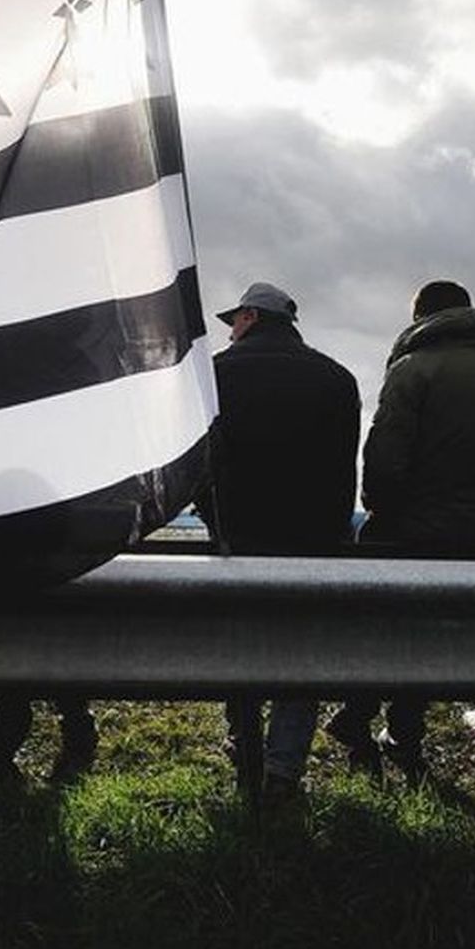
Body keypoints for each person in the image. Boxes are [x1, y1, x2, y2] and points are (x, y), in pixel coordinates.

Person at [325, 280, 475, 782]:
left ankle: (358, 711)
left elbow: (383, 463)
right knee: (435, 637)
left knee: (387, 629)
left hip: (412, 532)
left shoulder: (412, 370)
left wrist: (388, 513)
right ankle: (402, 733)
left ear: (420, 318)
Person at [198, 281, 360, 802]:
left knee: (238, 648)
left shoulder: (216, 375)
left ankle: (244, 750)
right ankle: (283, 770)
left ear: (248, 317)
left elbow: (201, 463)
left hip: (238, 538)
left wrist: (214, 520)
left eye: (233, 322)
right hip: (312, 541)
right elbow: (343, 472)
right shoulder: (337, 379)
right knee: (301, 654)